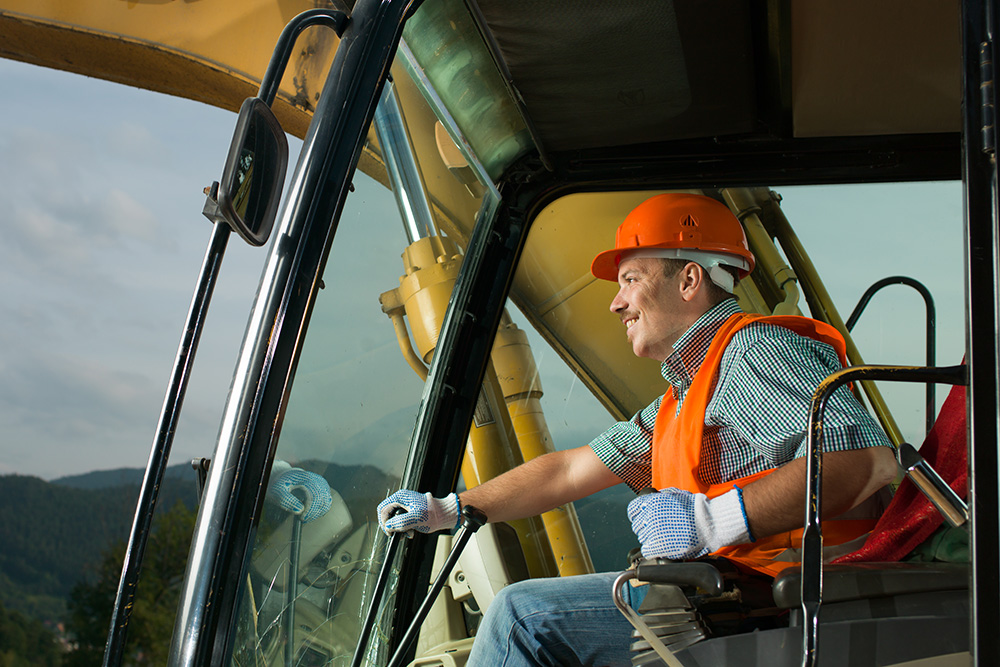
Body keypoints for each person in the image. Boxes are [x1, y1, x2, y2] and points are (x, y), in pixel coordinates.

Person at [377, 193, 897, 666]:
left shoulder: (754, 354)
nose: (616, 302)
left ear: (690, 281)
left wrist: (711, 522)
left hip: (778, 608)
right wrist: (453, 508)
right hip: (725, 598)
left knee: (523, 619)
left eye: (631, 279)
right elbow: (569, 470)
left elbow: (863, 462)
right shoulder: (684, 394)